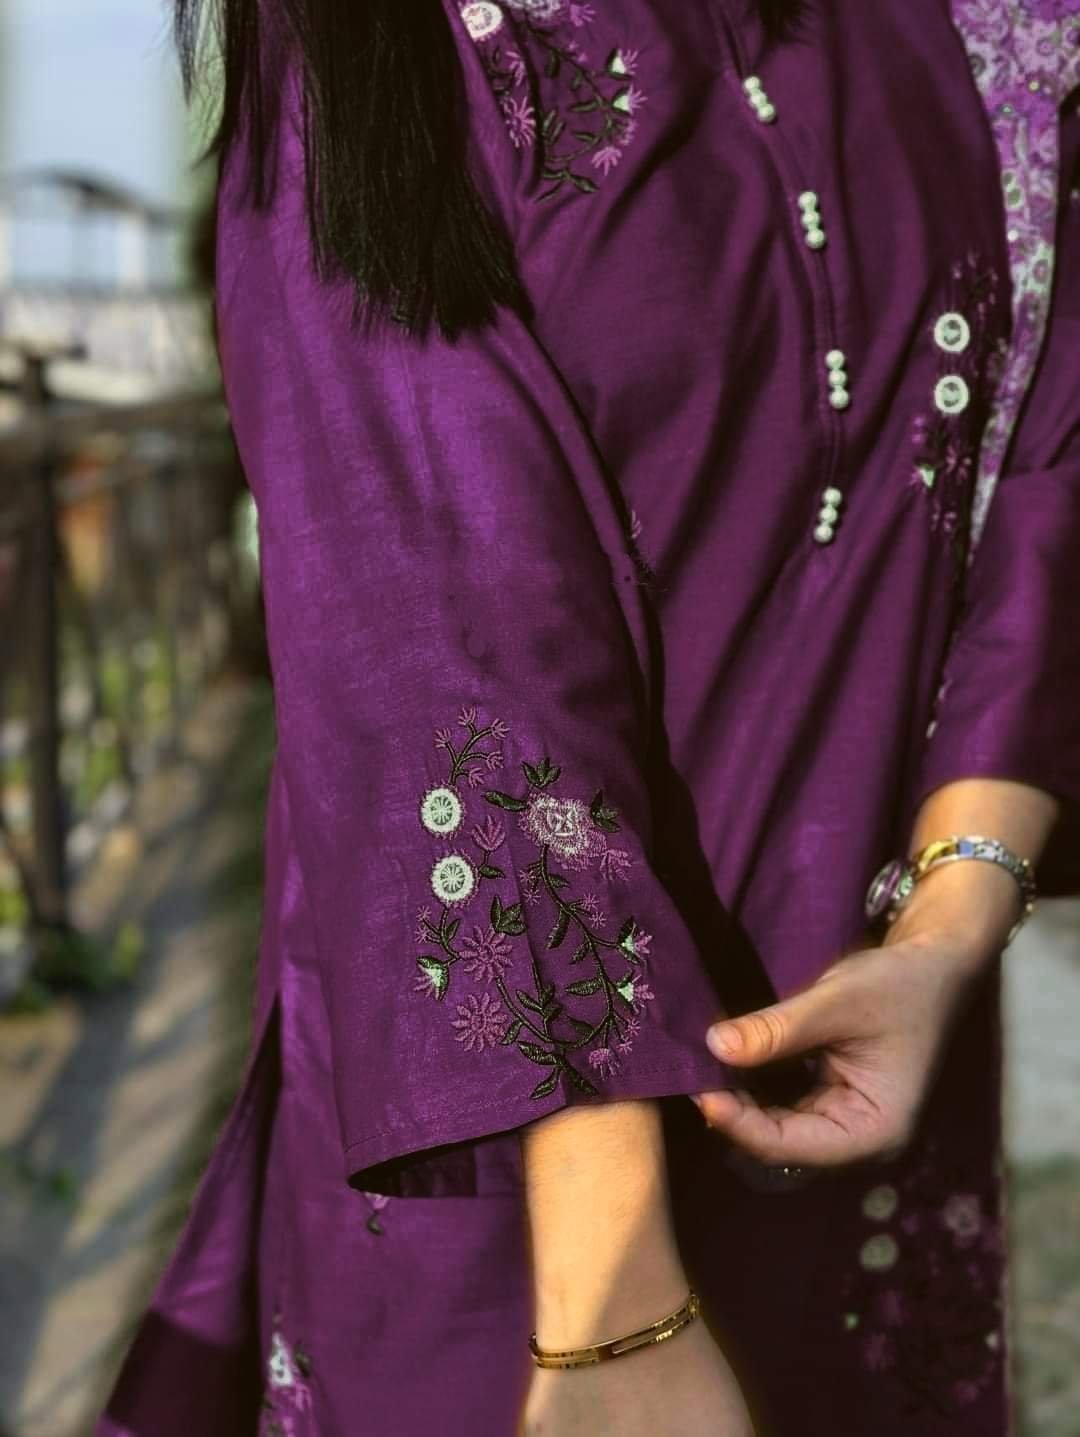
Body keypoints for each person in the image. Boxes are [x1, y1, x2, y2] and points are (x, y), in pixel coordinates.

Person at [98, 0, 1080, 1432]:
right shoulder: (376, 33)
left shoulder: (988, 27)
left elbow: (1048, 475)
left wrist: (951, 920)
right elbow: (431, 604)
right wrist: (613, 1302)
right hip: (518, 1165)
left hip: (872, 1105)